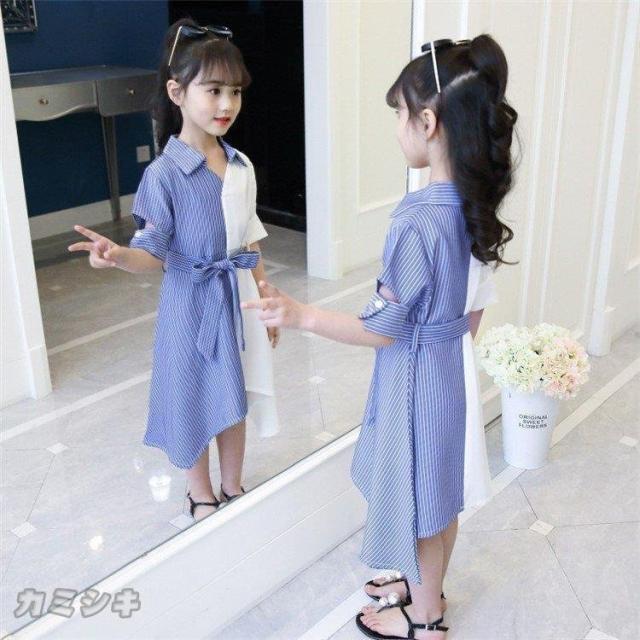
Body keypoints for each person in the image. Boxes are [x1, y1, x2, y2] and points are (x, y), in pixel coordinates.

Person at [242, 35, 518, 639]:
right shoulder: (474, 207)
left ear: (429, 122)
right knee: (439, 495)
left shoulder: (417, 219)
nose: (397, 127)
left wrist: (299, 313)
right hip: (451, 373)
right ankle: (425, 587)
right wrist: (442, 348)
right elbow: (473, 313)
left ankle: (424, 618)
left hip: (415, 381)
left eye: (400, 114)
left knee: (417, 503)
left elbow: (380, 330)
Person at [69, 18, 279, 523]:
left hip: (236, 298)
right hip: (190, 305)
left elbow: (249, 234)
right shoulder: (163, 175)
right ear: (177, 92)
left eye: (235, 91)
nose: (226, 104)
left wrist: (265, 291)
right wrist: (118, 255)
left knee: (235, 393)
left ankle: (233, 485)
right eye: (213, 90)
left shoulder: (241, 164)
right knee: (193, 398)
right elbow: (153, 253)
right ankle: (200, 493)